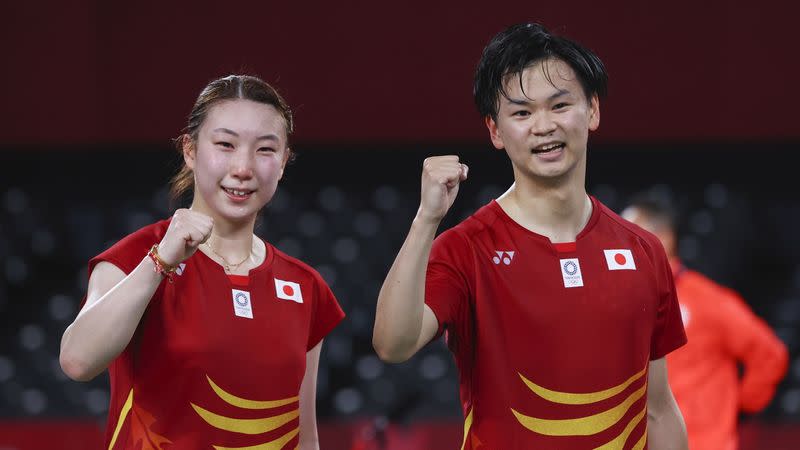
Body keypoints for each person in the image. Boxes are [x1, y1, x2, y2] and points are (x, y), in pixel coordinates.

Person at [373, 23, 689, 449]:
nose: (543, 126)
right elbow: (393, 344)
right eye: (522, 113)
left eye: (560, 105)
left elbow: (659, 407)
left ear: (592, 110)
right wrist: (427, 219)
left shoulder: (643, 251)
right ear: (496, 131)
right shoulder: (466, 248)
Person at [59, 75, 344, 450]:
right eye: (225, 145)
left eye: (265, 149)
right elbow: (77, 361)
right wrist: (160, 260)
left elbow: (304, 437)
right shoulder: (135, 256)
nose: (243, 168)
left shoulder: (306, 287)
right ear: (190, 151)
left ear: (284, 161)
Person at [621, 193, 788, 450]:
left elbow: (770, 355)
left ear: (663, 238)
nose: (620, 246)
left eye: (631, 237)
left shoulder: (709, 300)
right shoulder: (622, 302)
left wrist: (738, 408)